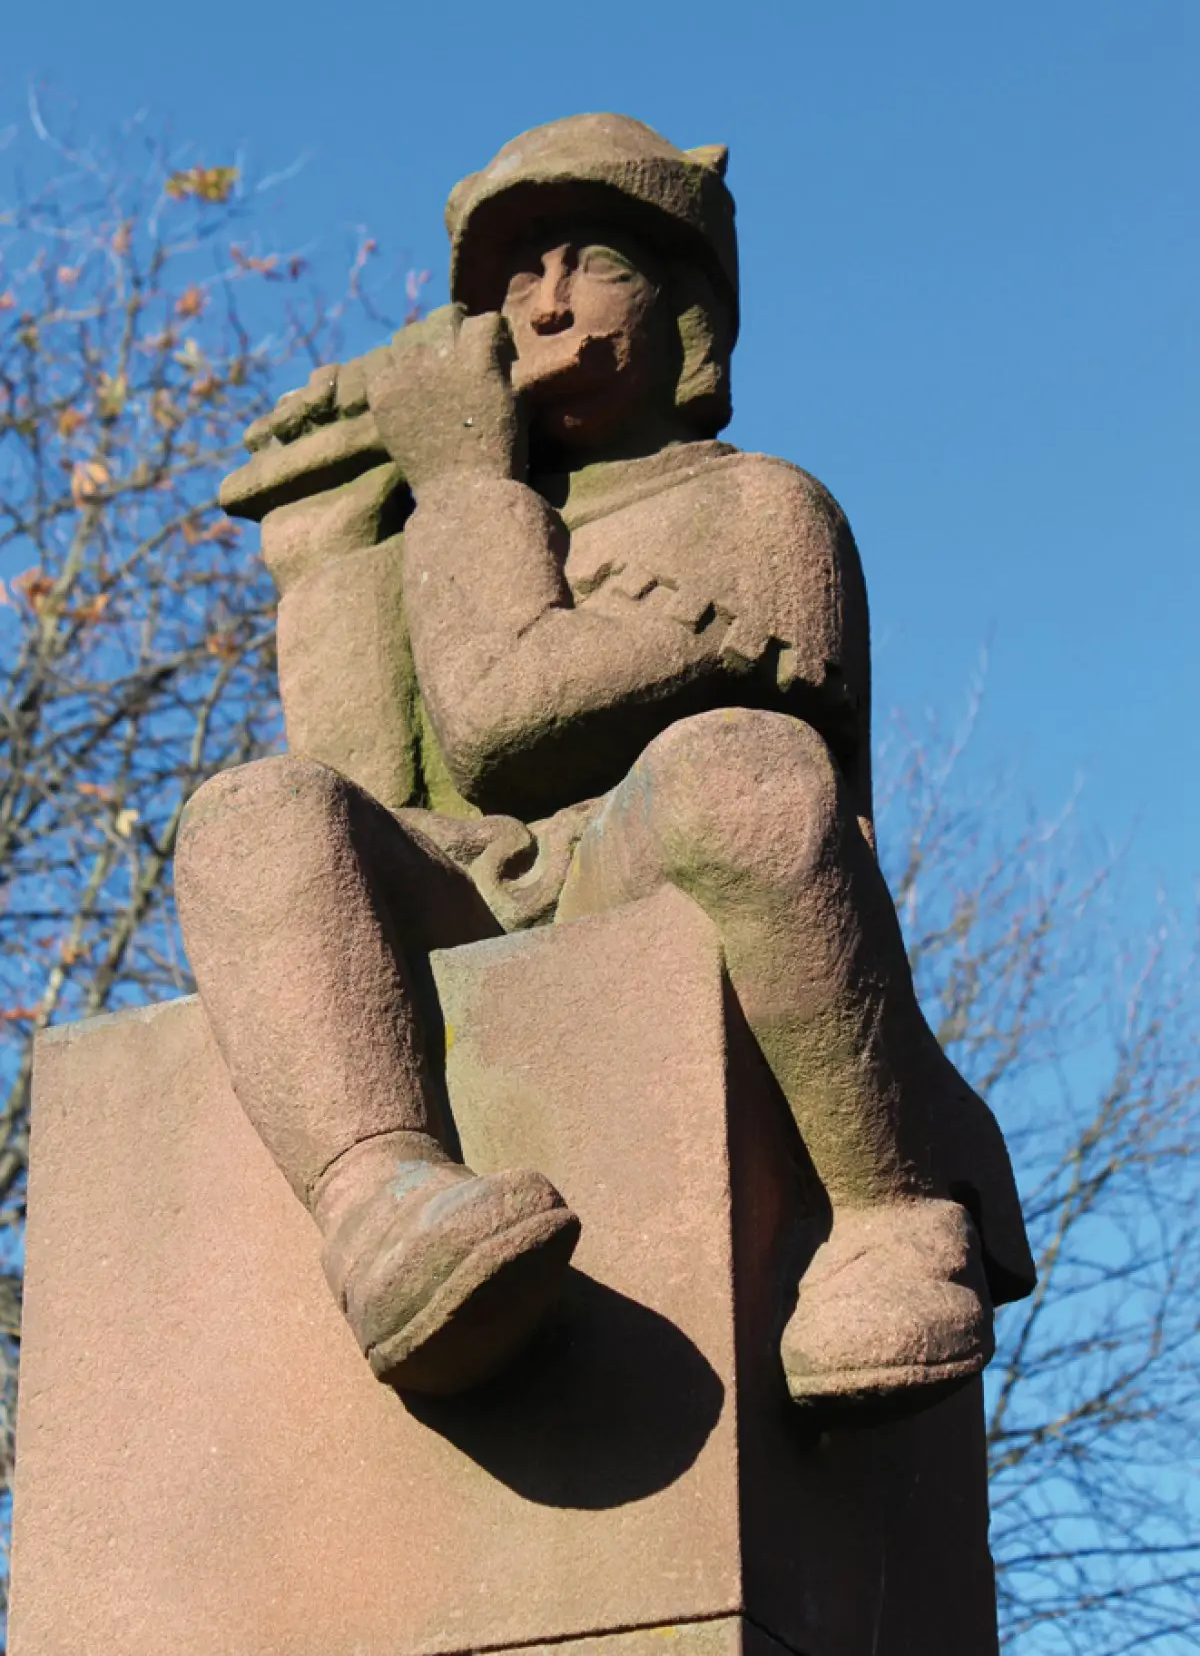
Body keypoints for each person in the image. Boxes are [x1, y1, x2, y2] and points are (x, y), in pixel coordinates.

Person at [176, 114, 1034, 1409]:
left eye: (595, 265)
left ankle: (889, 1215)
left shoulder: (758, 507)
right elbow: (364, 784)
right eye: (518, 278)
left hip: (655, 876)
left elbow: (506, 721)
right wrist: (333, 549)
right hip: (484, 891)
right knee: (253, 812)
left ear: (688, 309)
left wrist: (463, 480)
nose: (546, 304)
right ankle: (383, 1203)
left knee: (733, 766)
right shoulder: (447, 522)